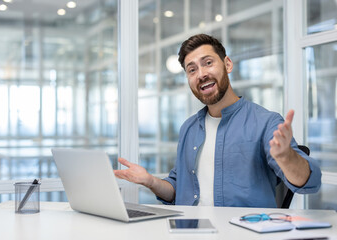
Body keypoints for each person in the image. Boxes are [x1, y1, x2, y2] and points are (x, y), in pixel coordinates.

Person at [114, 34, 321, 207]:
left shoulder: (266, 123)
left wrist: (286, 157)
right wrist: (150, 181)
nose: (201, 74)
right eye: (192, 69)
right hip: (189, 233)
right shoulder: (189, 128)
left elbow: (309, 182)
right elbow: (178, 191)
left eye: (208, 63)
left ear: (227, 64)